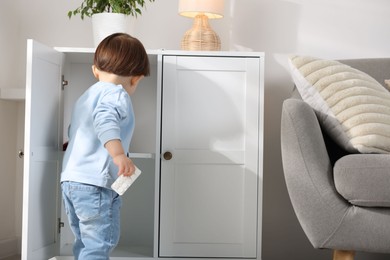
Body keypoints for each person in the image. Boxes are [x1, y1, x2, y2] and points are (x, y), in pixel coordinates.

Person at [61, 33, 150, 260]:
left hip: (72, 181)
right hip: (95, 185)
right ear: (136, 79)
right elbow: (105, 120)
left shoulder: (86, 95)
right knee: (100, 242)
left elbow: (76, 129)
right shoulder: (116, 94)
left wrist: (72, 144)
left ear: (95, 70)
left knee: (85, 241)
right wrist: (118, 154)